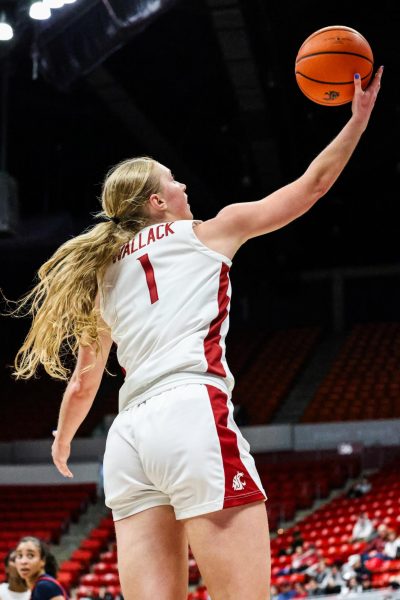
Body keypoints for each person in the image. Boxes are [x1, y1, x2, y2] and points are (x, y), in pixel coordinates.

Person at [11, 67, 383, 600]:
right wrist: (358, 121)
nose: (183, 184)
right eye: (172, 179)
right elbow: (313, 186)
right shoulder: (210, 231)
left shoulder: (103, 276)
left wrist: (63, 440)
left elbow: (82, 384)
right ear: (157, 202)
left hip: (128, 435)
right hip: (190, 410)